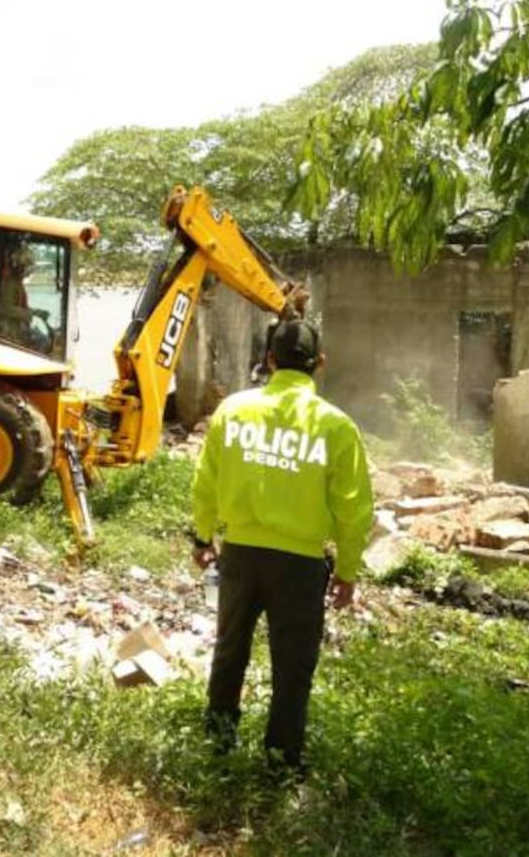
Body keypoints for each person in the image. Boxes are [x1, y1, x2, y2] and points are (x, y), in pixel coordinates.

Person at [190, 318, 374, 775]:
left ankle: (217, 744)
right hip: (300, 564)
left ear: (269, 360)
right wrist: (348, 571)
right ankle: (280, 763)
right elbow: (354, 509)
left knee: (230, 649)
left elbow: (205, 482)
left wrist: (202, 535)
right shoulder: (336, 427)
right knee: (292, 665)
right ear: (321, 364)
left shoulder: (233, 411)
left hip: (241, 555)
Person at [0, 243, 38, 343]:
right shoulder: (10, 284)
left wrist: (35, 312)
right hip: (7, 333)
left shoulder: (17, 283)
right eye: (26, 267)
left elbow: (18, 305)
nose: (28, 273)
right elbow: (5, 308)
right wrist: (27, 314)